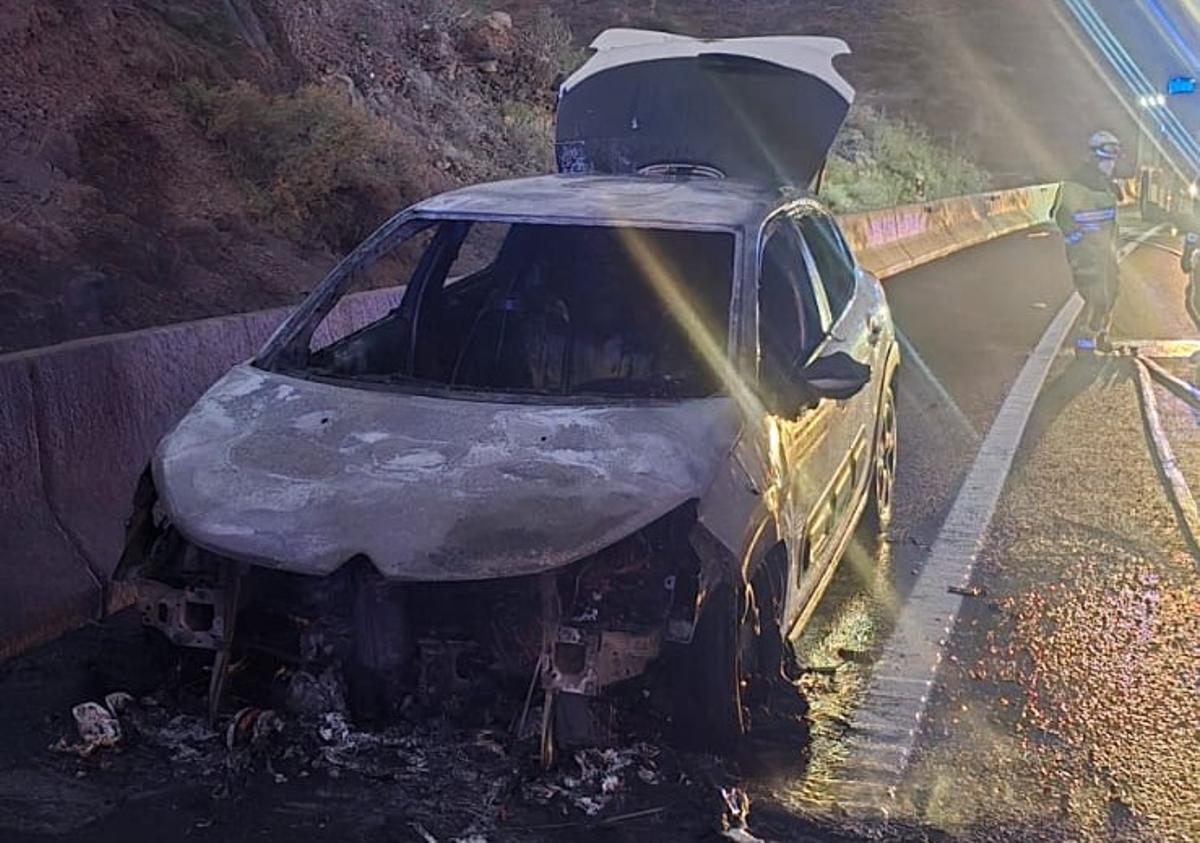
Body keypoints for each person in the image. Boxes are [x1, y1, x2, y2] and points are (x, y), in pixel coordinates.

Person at [1053, 130, 1122, 352]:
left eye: (1114, 156)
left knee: (1111, 292)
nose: (1111, 163)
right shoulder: (1077, 183)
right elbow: (1062, 215)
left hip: (1107, 252)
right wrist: (1078, 242)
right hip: (1086, 254)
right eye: (1107, 157)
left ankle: (1101, 335)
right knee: (1097, 297)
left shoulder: (1106, 184)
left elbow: (1110, 220)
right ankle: (1084, 343)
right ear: (1094, 156)